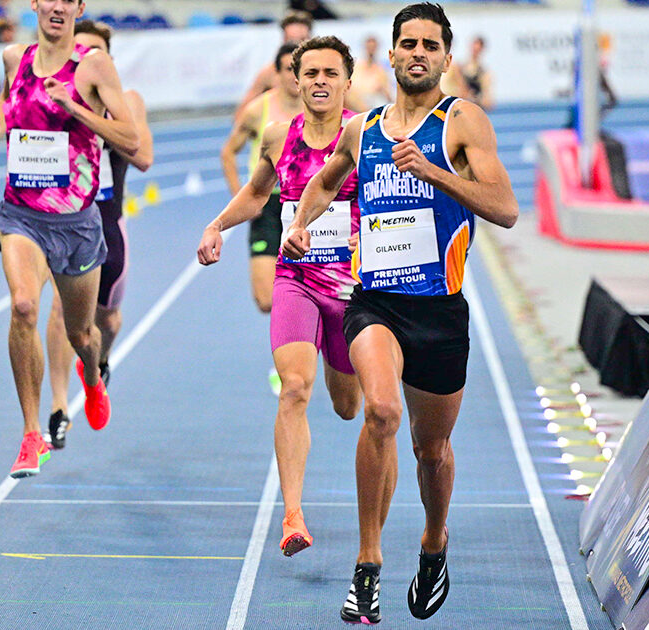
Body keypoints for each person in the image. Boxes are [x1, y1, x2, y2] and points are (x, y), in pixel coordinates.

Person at [282, 3, 518, 623]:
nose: (417, 53)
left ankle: (434, 544)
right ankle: (368, 566)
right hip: (375, 304)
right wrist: (301, 224)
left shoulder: (462, 122)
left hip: (440, 312)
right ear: (388, 55)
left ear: (445, 57)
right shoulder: (363, 129)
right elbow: (328, 177)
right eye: (406, 43)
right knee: (380, 410)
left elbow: (505, 207)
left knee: (432, 450)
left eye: (429, 45)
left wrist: (435, 172)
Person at [199, 35, 362, 559]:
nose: (318, 82)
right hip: (296, 278)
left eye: (329, 73)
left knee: (346, 405)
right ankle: (293, 515)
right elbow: (256, 193)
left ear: (346, 81)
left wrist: (370, 237)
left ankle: (346, 382)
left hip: (355, 288)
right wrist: (217, 225)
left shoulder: (367, 136)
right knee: (294, 387)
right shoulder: (277, 135)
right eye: (309, 73)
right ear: (294, 79)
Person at [0, 0, 139, 478]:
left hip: (78, 222)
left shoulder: (93, 64)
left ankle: (93, 376)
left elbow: (133, 138)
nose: (57, 6)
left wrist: (75, 109)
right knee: (23, 306)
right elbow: (8, 101)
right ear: (35, 4)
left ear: (79, 7)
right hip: (20, 214)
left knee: (82, 334)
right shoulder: (13, 57)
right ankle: (30, 433)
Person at [43, 18, 155, 449]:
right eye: (78, 50)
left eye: (93, 53)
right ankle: (58, 407)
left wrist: (87, 116)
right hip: (63, 212)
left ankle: (99, 361)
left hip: (107, 216)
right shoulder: (51, 94)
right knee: (58, 309)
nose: (83, 60)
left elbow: (143, 156)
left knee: (106, 317)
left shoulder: (125, 100)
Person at [220, 43, 304, 317]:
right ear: (276, 73)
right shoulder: (258, 110)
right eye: (288, 69)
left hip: (308, 205)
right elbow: (228, 152)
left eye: (299, 70)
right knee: (265, 299)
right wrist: (239, 196)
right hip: (268, 204)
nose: (294, 76)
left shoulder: (320, 107)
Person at [234, 11, 312, 115]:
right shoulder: (270, 72)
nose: (296, 46)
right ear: (283, 40)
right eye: (291, 40)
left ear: (310, 38)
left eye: (301, 40)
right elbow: (242, 111)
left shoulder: (324, 71)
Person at [443, 35, 493, 110]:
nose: (475, 51)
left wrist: (474, 98)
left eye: (477, 49)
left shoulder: (484, 73)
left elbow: (488, 102)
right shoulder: (458, 67)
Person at [347, 35, 393, 112]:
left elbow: (389, 96)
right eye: (369, 47)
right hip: (356, 106)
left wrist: (383, 90)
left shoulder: (381, 71)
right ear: (365, 48)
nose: (371, 51)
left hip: (374, 105)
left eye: (373, 47)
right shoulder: (355, 68)